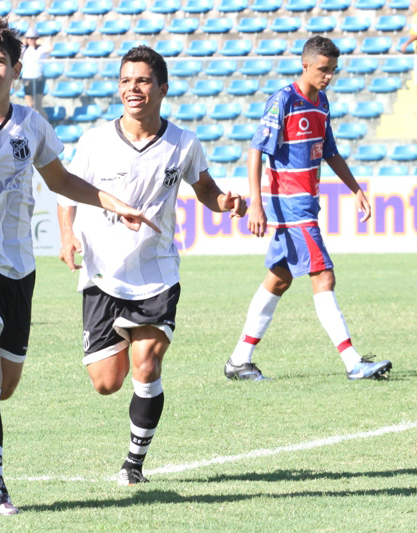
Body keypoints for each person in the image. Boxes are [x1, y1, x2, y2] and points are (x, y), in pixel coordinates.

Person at [0, 19, 153, 513]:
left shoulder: (32, 125)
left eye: (0, 62)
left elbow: (60, 179)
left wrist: (112, 202)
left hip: (18, 265)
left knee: (4, 387)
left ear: (16, 70)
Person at [57, 46, 247, 486]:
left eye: (142, 81)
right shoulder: (94, 141)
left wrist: (227, 203)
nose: (132, 89)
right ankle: (118, 346)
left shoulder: (183, 143)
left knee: (147, 365)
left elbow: (206, 191)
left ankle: (133, 464)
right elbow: (67, 192)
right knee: (106, 382)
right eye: (125, 81)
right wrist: (67, 234)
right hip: (103, 273)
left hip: (157, 271)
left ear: (162, 88)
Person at [225, 36, 392, 381]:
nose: (328, 76)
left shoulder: (322, 103)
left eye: (332, 70)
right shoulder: (283, 101)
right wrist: (255, 202)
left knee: (279, 279)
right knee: (323, 275)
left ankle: (239, 360)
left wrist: (356, 189)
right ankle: (353, 362)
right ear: (305, 65)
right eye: (323, 69)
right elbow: (257, 150)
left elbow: (329, 151)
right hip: (291, 208)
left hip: (304, 207)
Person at [19, 27, 49, 121]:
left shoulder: (40, 49)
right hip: (27, 78)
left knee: (38, 105)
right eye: (29, 38)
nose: (31, 40)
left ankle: (47, 126)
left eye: (33, 38)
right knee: (30, 105)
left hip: (38, 78)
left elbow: (50, 48)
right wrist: (24, 42)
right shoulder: (25, 50)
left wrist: (40, 41)